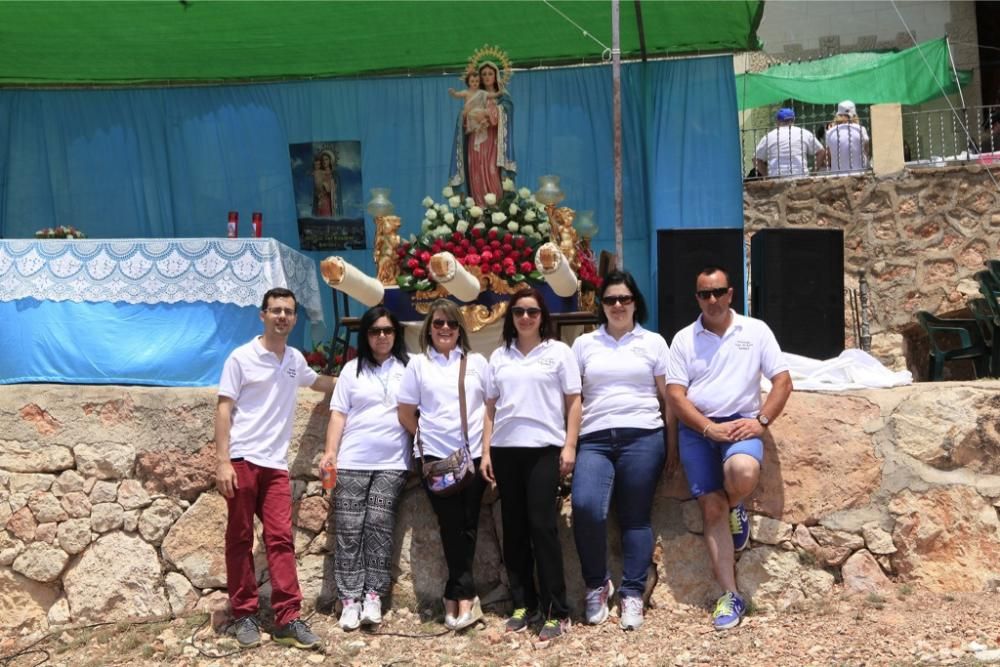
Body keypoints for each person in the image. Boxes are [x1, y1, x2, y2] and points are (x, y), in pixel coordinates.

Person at [665, 267, 793, 631]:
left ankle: (737, 506)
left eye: (719, 292)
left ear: (731, 293)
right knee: (711, 506)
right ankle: (730, 595)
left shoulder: (755, 331)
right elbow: (675, 395)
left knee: (742, 473)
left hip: (740, 424)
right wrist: (707, 428)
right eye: (705, 294)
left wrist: (761, 421)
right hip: (698, 427)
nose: (713, 300)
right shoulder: (684, 339)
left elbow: (783, 381)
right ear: (697, 298)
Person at [215, 287, 335, 650]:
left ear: (295, 318)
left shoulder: (294, 359)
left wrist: (361, 381)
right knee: (239, 539)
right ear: (262, 315)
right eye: (275, 310)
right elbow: (223, 408)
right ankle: (244, 615)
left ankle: (287, 619)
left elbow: (319, 383)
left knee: (281, 540)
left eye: (288, 311)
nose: (282, 316)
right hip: (241, 461)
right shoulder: (241, 357)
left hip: (275, 467)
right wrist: (222, 461)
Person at [570, 270, 676, 632]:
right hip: (595, 439)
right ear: (601, 305)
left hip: (643, 436)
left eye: (624, 299)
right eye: (610, 299)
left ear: (635, 303)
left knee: (635, 517)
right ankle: (597, 583)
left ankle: (632, 592)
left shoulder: (654, 343)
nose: (618, 305)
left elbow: (668, 399)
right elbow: (573, 399)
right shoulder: (584, 345)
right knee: (585, 506)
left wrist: (672, 446)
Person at [481, 288, 581, 644]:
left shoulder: (559, 353)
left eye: (533, 312)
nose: (525, 317)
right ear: (511, 317)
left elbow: (573, 402)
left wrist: (570, 445)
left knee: (543, 528)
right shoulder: (499, 356)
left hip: (544, 451)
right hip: (506, 450)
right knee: (515, 530)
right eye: (519, 311)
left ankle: (557, 610)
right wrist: (486, 452)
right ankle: (524, 604)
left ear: (543, 316)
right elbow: (490, 408)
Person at [397, 299, 489, 631]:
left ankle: (457, 593)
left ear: (460, 328)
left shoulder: (477, 362)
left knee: (468, 523)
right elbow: (405, 412)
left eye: (451, 324)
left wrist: (488, 452)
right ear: (429, 329)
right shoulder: (419, 365)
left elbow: (490, 408)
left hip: (474, 455)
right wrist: (424, 437)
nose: (445, 329)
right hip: (436, 459)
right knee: (451, 525)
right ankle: (463, 595)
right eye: (438, 324)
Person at [320, 306, 410, 631]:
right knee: (347, 528)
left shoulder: (409, 368)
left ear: (396, 333)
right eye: (375, 331)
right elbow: (338, 414)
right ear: (366, 335)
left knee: (378, 522)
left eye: (387, 330)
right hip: (354, 460)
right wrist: (330, 451)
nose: (382, 336)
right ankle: (349, 600)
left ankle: (373, 595)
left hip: (393, 462)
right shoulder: (351, 370)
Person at [449, 53, 516, 206]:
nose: (486, 77)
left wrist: (488, 113)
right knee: (476, 172)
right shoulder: (474, 96)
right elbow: (463, 118)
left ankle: (496, 208)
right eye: (483, 74)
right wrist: (467, 116)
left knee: (493, 171)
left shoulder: (502, 98)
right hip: (475, 141)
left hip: (494, 142)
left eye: (490, 73)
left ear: (496, 75)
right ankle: (478, 210)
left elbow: (507, 113)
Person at [753, 107, 825, 178]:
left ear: (777, 121)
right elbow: (821, 152)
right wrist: (813, 172)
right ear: (793, 119)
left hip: (777, 180)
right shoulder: (803, 133)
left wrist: (767, 176)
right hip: (801, 178)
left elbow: (756, 159)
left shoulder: (769, 136)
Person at [449, 72, 501, 152]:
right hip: (470, 114)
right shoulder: (466, 92)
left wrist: (498, 93)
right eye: (472, 81)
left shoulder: (482, 92)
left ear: (479, 82)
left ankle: (481, 124)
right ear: (468, 82)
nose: (475, 83)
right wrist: (453, 93)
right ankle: (477, 126)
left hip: (479, 114)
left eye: (477, 81)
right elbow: (457, 95)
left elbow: (491, 95)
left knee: (479, 112)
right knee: (472, 113)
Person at [824, 100, 870, 173]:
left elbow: (829, 156)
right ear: (854, 115)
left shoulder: (830, 132)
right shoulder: (861, 130)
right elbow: (866, 151)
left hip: (837, 176)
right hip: (859, 174)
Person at [312, 150, 340, 218]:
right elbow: (316, 188)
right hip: (320, 201)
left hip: (330, 202)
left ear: (330, 160)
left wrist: (330, 187)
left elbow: (336, 189)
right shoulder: (319, 173)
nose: (324, 161)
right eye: (323, 160)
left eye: (326, 159)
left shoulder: (334, 174)